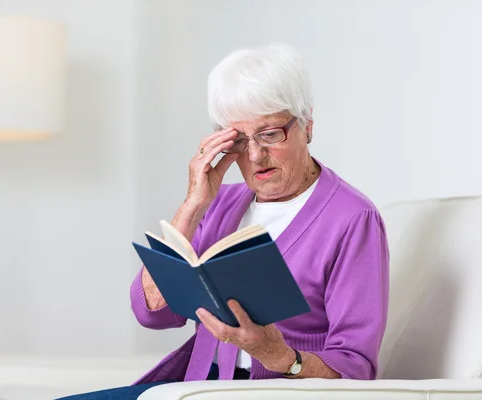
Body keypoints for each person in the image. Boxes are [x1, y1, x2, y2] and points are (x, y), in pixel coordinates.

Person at [58, 43, 389, 400]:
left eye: (270, 134)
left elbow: (356, 368)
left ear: (307, 125)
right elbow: (151, 312)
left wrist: (280, 357)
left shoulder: (353, 219)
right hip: (203, 384)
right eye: (239, 140)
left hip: (282, 392)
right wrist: (194, 203)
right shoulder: (222, 203)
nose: (255, 155)